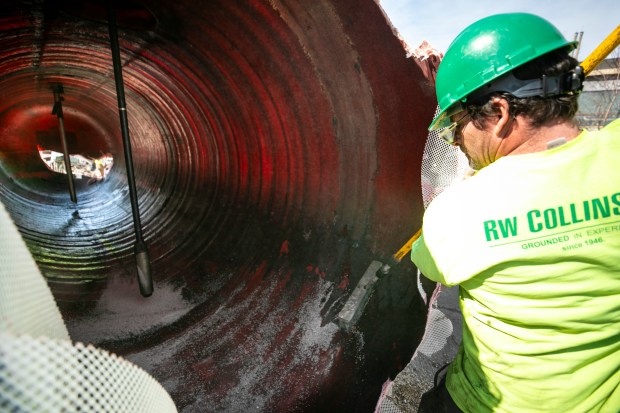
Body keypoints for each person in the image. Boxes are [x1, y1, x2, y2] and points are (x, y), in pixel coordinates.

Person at [411, 13, 620, 413]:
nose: (455, 140)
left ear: (500, 112)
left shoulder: (458, 213)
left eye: (456, 123)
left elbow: (430, 268)